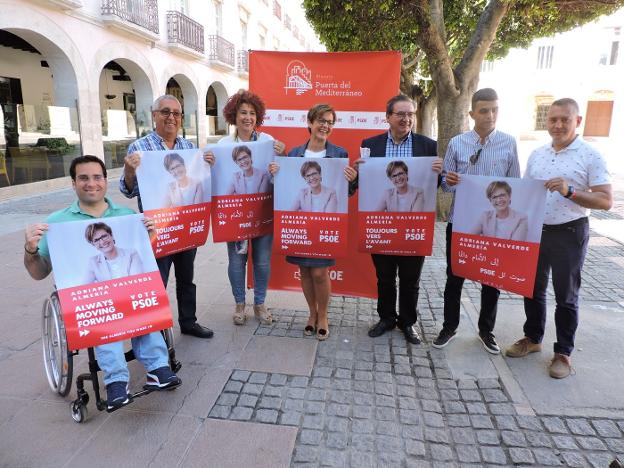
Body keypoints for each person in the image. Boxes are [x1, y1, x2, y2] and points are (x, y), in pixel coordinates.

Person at [24, 155, 181, 410]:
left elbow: (144, 266)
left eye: (97, 177)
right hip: (101, 304)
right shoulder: (56, 223)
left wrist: (150, 237)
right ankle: (116, 381)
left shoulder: (127, 216)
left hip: (129, 295)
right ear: (73, 183)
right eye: (83, 178)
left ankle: (158, 368)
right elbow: (39, 273)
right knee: (103, 312)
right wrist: (30, 250)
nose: (91, 183)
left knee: (143, 301)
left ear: (106, 181)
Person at [506, 98, 612, 379]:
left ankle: (563, 353)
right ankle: (532, 338)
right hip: (536, 230)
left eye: (565, 119)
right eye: (553, 119)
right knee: (531, 289)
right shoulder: (538, 154)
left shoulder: (591, 155)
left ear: (577, 121)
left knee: (566, 295)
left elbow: (605, 201)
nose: (558, 125)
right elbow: (527, 191)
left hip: (570, 232)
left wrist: (570, 191)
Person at [432, 88, 520, 354]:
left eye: (494, 109)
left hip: (496, 226)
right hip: (461, 222)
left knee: (491, 279)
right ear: (472, 113)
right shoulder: (458, 143)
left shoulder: (509, 143)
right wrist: (448, 180)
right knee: (454, 277)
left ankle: (486, 330)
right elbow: (445, 185)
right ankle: (449, 327)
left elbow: (516, 184)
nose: (490, 115)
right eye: (484, 110)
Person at [120, 94, 213, 339]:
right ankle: (156, 332)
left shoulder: (189, 149)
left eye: (176, 113)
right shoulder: (138, 148)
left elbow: (199, 184)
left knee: (186, 278)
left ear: (181, 118)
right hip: (157, 228)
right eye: (165, 112)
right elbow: (128, 190)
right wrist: (130, 170)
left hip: (185, 227)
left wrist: (208, 165)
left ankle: (188, 321)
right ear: (154, 116)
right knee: (157, 282)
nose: (171, 117)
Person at [354, 95, 441, 345]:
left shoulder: (428, 146)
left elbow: (435, 185)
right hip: (383, 230)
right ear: (388, 117)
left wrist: (439, 172)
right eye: (401, 114)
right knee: (384, 278)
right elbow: (364, 185)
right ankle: (386, 318)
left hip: (415, 229)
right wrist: (359, 171)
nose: (406, 119)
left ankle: (407, 323)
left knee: (411, 280)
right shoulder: (370, 144)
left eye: (410, 114)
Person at [270, 103, 357, 341]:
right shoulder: (295, 154)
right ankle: (311, 313)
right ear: (310, 123)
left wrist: (352, 179)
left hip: (326, 231)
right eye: (321, 120)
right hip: (301, 232)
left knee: (320, 273)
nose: (325, 125)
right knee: (305, 272)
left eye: (329, 122)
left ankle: (324, 315)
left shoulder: (339, 154)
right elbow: (287, 197)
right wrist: (277, 172)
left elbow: (346, 193)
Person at [204, 90, 286, 326]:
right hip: (236, 216)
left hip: (262, 213)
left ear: (257, 116)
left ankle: (260, 303)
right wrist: (208, 165)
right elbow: (220, 183)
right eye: (242, 112)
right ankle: (240, 303)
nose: (247, 117)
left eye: (252, 113)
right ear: (234, 115)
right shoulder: (223, 144)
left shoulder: (268, 141)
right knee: (236, 261)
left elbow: (279, 176)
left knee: (261, 261)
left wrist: (282, 157)